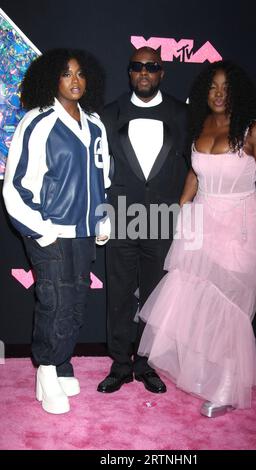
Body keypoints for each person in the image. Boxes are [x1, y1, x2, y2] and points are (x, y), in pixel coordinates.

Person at [137, 60, 256, 417]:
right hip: (201, 220)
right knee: (197, 302)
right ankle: (204, 375)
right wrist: (183, 205)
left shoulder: (253, 131)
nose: (218, 93)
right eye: (213, 87)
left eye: (226, 88)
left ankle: (229, 387)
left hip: (240, 225)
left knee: (233, 307)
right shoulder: (200, 126)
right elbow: (195, 171)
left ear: (236, 94)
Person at [3, 48, 111, 414]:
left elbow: (103, 178)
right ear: (53, 78)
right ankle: (46, 370)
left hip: (83, 232)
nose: (75, 80)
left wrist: (102, 217)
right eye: (67, 74)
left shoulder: (95, 123)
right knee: (55, 303)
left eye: (80, 73)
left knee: (77, 303)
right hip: (49, 231)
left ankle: (61, 363)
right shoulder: (37, 121)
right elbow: (15, 186)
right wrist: (41, 228)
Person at [97, 47, 189, 394]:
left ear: (162, 72)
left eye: (152, 66)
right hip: (120, 217)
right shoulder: (110, 113)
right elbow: (98, 169)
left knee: (156, 296)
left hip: (164, 219)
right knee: (119, 295)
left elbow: (196, 167)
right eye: (137, 66)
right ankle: (120, 364)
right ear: (130, 72)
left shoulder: (182, 114)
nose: (144, 72)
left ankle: (147, 364)